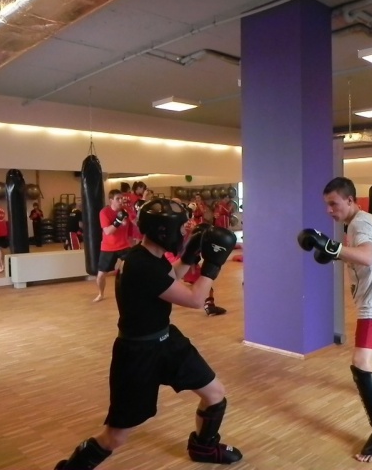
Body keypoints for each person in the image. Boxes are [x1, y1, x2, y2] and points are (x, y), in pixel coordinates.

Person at [54, 198, 242, 469]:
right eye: (181, 230)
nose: (184, 234)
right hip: (138, 354)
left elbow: (169, 277)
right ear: (164, 231)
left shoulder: (145, 255)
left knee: (214, 393)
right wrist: (213, 264)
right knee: (115, 436)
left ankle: (204, 447)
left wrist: (190, 254)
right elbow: (195, 299)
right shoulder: (141, 266)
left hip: (166, 340)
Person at [298, 177, 372, 463]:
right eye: (327, 205)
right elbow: (362, 257)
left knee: (361, 361)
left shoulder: (359, 224)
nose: (329, 210)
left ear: (349, 200)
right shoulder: (362, 221)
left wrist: (332, 247)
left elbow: (367, 257)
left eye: (333, 204)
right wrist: (335, 254)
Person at [93, 190, 131, 303]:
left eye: (121, 198)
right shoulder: (104, 212)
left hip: (124, 246)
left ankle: (132, 293)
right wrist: (118, 221)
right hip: (108, 248)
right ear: (111, 200)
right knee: (101, 276)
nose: (120, 201)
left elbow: (131, 223)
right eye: (117, 199)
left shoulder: (125, 210)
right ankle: (101, 294)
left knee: (133, 270)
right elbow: (108, 231)